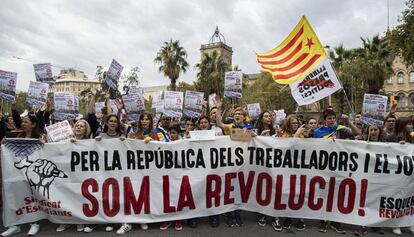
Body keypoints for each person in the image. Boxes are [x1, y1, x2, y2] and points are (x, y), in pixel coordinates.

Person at [313, 109, 360, 234]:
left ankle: (335, 221)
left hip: (340, 166)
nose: (332, 120)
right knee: (323, 193)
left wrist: (349, 121)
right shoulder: (317, 132)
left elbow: (357, 132)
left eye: (333, 118)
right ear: (324, 120)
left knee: (337, 193)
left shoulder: (341, 129)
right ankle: (323, 220)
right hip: (323, 166)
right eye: (329, 118)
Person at [1, 114, 45, 237]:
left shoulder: (39, 137)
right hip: (17, 173)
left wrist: (44, 144)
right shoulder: (17, 136)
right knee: (16, 196)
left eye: (26, 121)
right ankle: (14, 225)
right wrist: (4, 144)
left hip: (33, 173)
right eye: (23, 121)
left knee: (33, 197)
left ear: (34, 124)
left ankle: (34, 223)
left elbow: (47, 151)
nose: (23, 123)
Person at [84, 114, 125, 233]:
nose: (112, 123)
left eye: (115, 121)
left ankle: (112, 221)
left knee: (115, 195)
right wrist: (95, 142)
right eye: (110, 121)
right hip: (102, 171)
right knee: (101, 195)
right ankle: (99, 220)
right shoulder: (101, 136)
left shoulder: (121, 136)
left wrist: (124, 141)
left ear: (117, 124)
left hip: (117, 170)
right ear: (106, 123)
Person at [116, 113, 152, 235]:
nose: (144, 121)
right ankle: (128, 222)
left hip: (150, 170)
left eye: (147, 119)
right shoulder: (133, 134)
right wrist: (123, 142)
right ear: (139, 121)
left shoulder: (157, 132)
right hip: (134, 169)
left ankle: (142, 218)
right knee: (132, 193)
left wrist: (152, 141)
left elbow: (165, 145)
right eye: (142, 119)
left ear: (150, 121)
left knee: (146, 194)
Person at [55, 120, 92, 233]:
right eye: (77, 126)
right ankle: (66, 221)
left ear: (86, 129)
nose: (79, 128)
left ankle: (78, 220)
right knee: (67, 196)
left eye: (82, 126)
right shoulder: (65, 140)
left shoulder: (89, 142)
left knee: (79, 197)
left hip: (82, 173)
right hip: (67, 172)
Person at [159, 124, 184, 231]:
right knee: (168, 197)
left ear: (178, 133)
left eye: (174, 133)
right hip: (167, 173)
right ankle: (168, 219)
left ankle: (178, 219)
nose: (171, 135)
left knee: (178, 197)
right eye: (170, 133)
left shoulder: (184, 142)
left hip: (180, 173)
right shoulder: (165, 142)